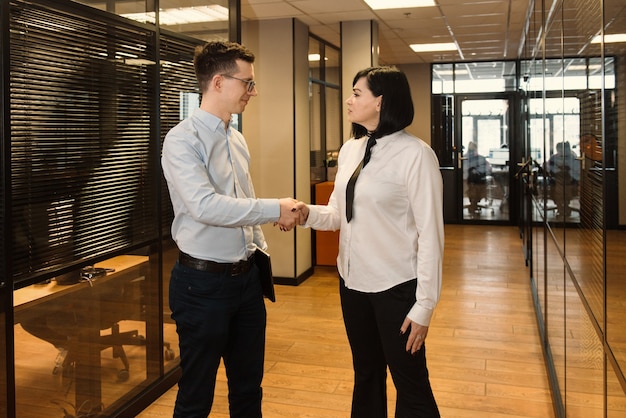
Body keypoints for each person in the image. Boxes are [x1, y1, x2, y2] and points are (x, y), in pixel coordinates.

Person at [294, 66, 444, 417]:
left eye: (357, 93)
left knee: (410, 381)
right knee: (366, 373)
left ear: (380, 101)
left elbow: (432, 236)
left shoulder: (416, 155)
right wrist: (305, 213)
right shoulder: (351, 150)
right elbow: (337, 215)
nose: (349, 100)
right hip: (352, 284)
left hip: (396, 288)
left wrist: (424, 306)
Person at [161, 41, 299, 418]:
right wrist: (275, 208)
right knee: (196, 396)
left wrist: (261, 243)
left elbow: (242, 199)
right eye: (247, 83)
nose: (253, 92)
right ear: (219, 82)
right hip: (201, 286)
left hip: (245, 284)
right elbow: (204, 206)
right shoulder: (181, 140)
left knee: (247, 389)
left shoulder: (236, 139)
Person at [545, 141, 580, 218]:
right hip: (557, 180)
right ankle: (561, 208)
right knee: (559, 190)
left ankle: (565, 208)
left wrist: (568, 170)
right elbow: (549, 169)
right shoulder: (553, 158)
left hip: (570, 180)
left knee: (565, 191)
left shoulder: (573, 158)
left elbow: (577, 170)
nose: (562, 151)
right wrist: (558, 170)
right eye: (560, 149)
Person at [463, 141, 492, 214]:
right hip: (475, 182)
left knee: (475, 188)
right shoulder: (466, 158)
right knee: (476, 188)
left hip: (472, 182)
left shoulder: (464, 158)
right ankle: (474, 202)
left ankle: (474, 202)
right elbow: (488, 169)